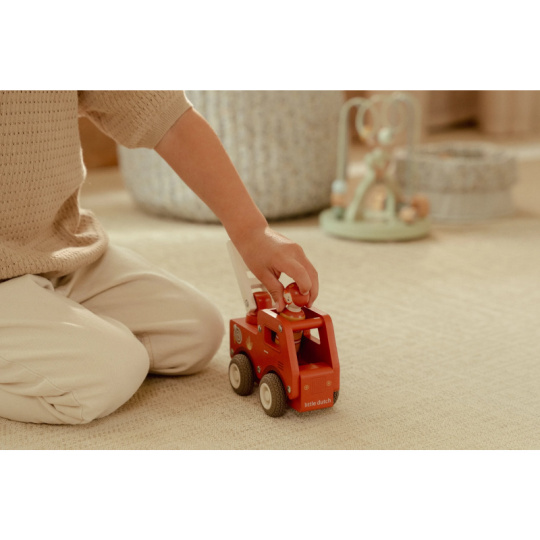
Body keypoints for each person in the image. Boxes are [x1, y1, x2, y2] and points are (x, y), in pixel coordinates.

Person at [0, 91, 318, 424]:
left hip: (57, 248)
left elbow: (166, 117)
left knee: (197, 333)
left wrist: (251, 231)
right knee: (109, 374)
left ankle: (52, 331)